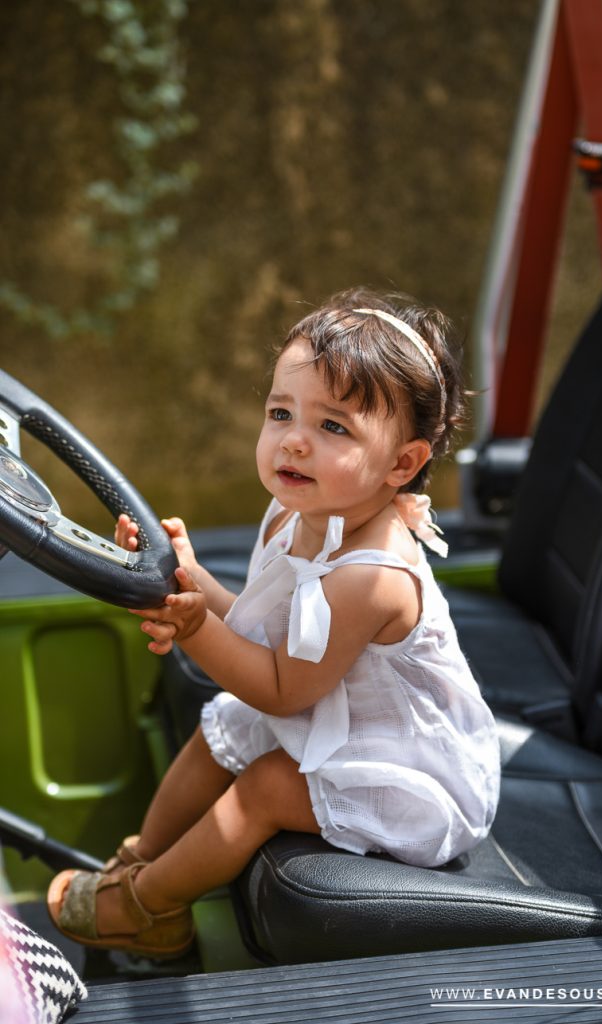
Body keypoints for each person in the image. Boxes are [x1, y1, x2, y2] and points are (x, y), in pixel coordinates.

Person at [47, 288, 500, 959]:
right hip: (337, 711)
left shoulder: (371, 576)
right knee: (220, 732)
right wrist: (187, 581)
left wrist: (197, 629)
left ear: (401, 464)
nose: (292, 439)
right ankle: (139, 861)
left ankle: (148, 910)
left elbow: (284, 689)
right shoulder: (295, 512)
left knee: (265, 784)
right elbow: (263, 626)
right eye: (280, 412)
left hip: (407, 767)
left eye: (333, 427)